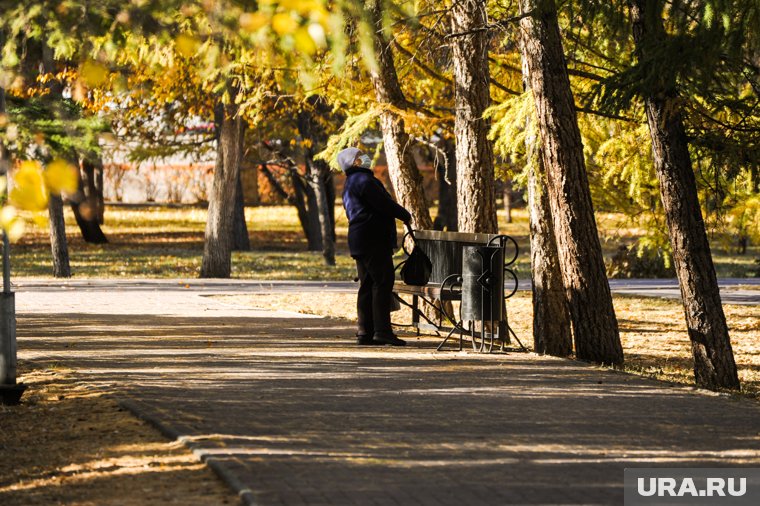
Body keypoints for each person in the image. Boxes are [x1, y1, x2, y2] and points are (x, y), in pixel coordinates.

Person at [338, 147, 412, 346]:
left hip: (360, 238)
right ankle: (382, 331)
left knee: (368, 284)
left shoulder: (351, 182)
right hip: (373, 238)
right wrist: (405, 215)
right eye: (360, 155)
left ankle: (365, 331)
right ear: (354, 162)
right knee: (382, 282)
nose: (366, 157)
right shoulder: (364, 180)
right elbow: (383, 204)